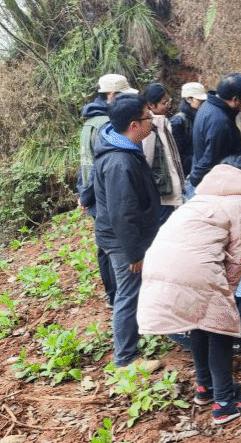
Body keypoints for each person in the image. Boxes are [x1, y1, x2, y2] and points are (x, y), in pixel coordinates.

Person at [137, 156, 241, 425]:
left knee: (199, 321)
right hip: (193, 267)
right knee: (220, 327)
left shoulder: (201, 198)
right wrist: (229, 292)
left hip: (157, 260)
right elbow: (238, 255)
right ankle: (225, 403)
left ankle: (205, 387)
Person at [92, 93, 161, 369]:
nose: (152, 121)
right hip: (122, 242)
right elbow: (122, 213)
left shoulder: (121, 146)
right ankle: (126, 359)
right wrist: (134, 253)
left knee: (132, 291)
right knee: (128, 295)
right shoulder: (120, 162)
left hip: (124, 237)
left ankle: (139, 336)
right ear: (134, 125)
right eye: (148, 116)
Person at [76, 74, 138, 307]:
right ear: (112, 96)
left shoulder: (89, 122)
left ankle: (113, 296)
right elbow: (98, 165)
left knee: (104, 247)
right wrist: (87, 194)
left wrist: (83, 193)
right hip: (104, 195)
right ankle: (120, 298)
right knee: (115, 247)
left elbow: (84, 161)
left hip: (93, 194)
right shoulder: (106, 124)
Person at [186, 73, 241, 199]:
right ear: (235, 99)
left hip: (204, 180)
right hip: (208, 187)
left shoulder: (208, 105)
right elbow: (210, 159)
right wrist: (194, 179)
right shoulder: (220, 121)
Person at [141, 83, 184, 226]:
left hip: (169, 189)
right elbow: (147, 163)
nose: (168, 105)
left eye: (168, 101)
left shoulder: (164, 122)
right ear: (151, 106)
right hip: (161, 194)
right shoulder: (149, 130)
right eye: (164, 103)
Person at [171, 82, 208, 180]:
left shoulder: (199, 117)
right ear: (188, 99)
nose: (202, 102)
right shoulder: (178, 122)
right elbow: (177, 155)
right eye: (199, 99)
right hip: (188, 173)